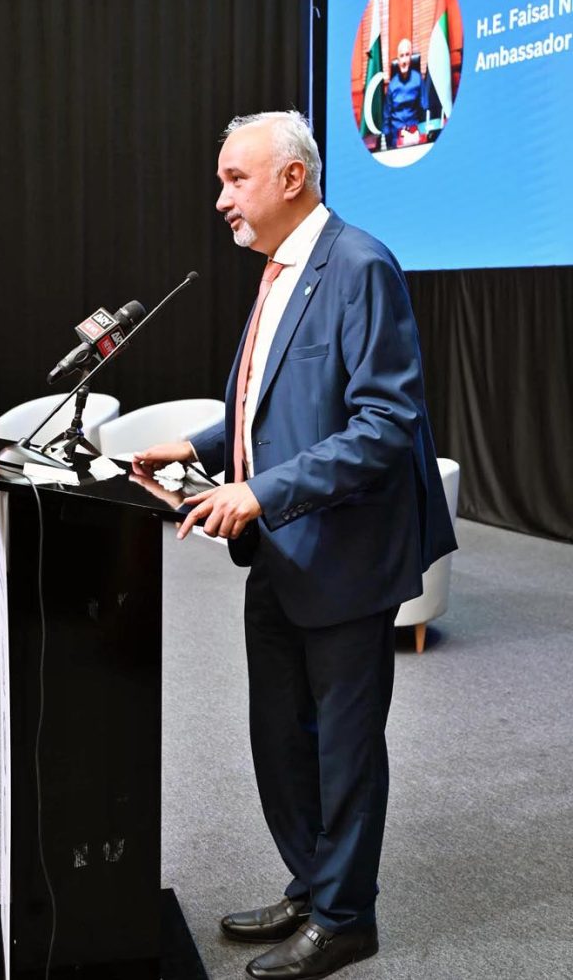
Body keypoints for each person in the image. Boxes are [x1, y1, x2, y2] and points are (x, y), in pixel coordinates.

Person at [133, 110, 456, 980]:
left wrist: (259, 493)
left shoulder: (360, 265)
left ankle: (347, 919)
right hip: (280, 551)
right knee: (281, 738)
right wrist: (198, 446)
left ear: (292, 177)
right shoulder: (280, 270)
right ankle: (314, 886)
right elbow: (272, 404)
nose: (221, 199)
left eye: (234, 179)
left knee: (343, 751)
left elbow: (384, 424)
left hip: (344, 555)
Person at [382, 38, 426, 148]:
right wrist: (387, 141)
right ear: (398, 60)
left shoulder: (418, 79)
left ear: (411, 57)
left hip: (414, 132)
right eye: (401, 56)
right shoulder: (392, 85)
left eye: (407, 55)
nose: (404, 60)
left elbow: (425, 107)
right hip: (396, 135)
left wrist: (423, 132)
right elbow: (386, 115)